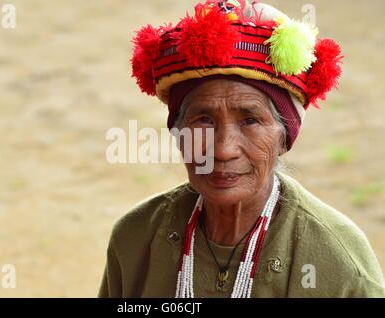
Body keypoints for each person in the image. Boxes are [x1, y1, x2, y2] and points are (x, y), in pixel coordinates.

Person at [98, 0, 385, 297]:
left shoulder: (337, 261)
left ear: (284, 138)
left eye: (250, 120)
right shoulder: (136, 237)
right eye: (203, 119)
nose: (223, 150)